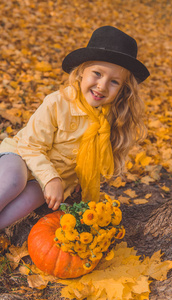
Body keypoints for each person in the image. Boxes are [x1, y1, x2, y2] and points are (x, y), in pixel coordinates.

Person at [0, 26, 150, 229]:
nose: (102, 86)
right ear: (81, 72)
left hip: (53, 181)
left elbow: (90, 164)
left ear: (123, 89)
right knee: (13, 181)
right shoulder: (58, 103)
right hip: (21, 156)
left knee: (27, 202)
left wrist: (67, 183)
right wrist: (51, 178)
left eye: (114, 82)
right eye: (97, 73)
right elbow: (30, 146)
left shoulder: (110, 121)